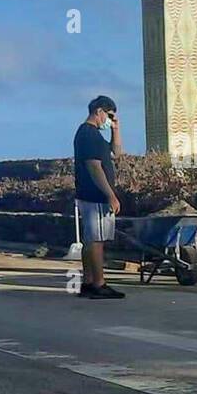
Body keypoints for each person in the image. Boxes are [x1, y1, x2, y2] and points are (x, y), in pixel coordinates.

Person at [74, 95, 124, 299]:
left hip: (90, 194)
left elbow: (117, 153)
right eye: (109, 115)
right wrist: (110, 195)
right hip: (95, 196)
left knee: (90, 239)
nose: (110, 120)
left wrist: (116, 130)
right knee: (97, 240)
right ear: (99, 111)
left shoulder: (93, 135)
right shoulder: (89, 134)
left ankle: (87, 282)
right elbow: (94, 167)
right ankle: (98, 283)